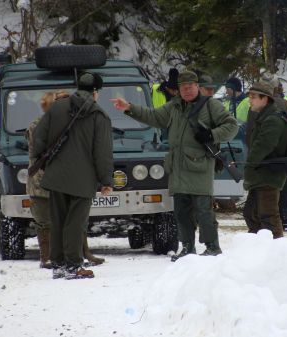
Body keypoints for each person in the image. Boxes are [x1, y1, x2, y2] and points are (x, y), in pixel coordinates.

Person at [111, 70, 238, 260]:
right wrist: (129, 108)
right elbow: (153, 116)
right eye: (183, 87)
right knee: (181, 213)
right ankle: (187, 248)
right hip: (178, 168)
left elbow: (232, 126)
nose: (187, 90)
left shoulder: (210, 105)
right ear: (178, 89)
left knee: (204, 212)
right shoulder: (174, 106)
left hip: (199, 168)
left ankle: (213, 247)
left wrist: (212, 135)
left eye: (190, 86)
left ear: (197, 87)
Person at [33, 72, 114, 279]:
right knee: (76, 222)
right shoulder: (99, 115)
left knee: (58, 220)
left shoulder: (57, 107)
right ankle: (73, 265)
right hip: (83, 178)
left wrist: (42, 162)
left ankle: (59, 264)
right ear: (95, 92)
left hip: (57, 175)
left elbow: (38, 137)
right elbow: (102, 152)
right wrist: (106, 180)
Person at [243, 81, 287, 239]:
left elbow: (262, 147)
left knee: (268, 216)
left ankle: (276, 252)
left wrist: (249, 166)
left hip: (269, 175)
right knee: (251, 213)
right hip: (261, 174)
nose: (250, 100)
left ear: (265, 99)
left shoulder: (272, 119)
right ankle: (257, 247)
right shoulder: (264, 116)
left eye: (253, 97)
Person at [259, 71, 287, 232]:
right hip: (284, 152)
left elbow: (251, 130)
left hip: (265, 152)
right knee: (283, 185)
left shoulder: (259, 104)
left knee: (265, 186)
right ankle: (285, 219)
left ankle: (267, 220)